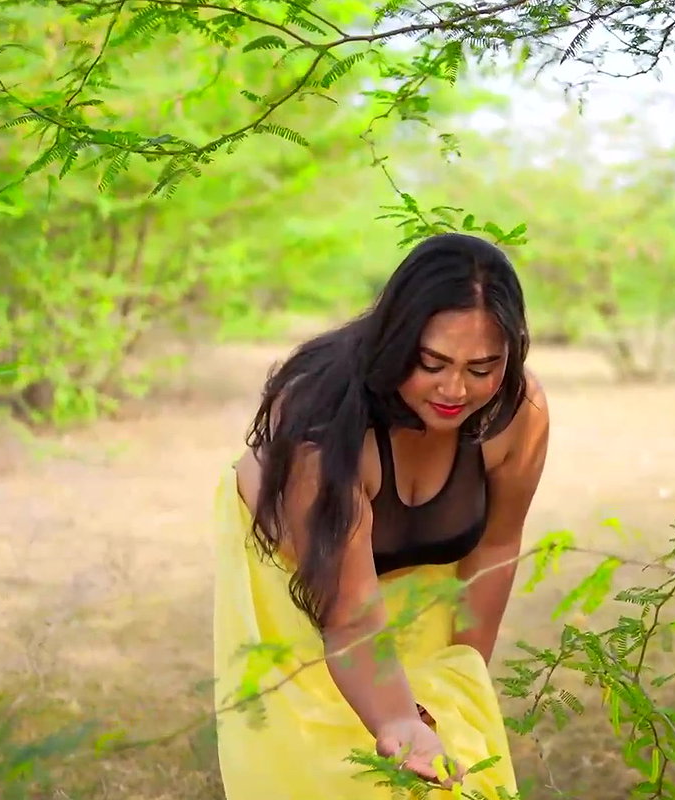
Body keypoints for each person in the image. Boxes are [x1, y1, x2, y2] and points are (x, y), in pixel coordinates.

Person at [212, 232, 550, 799]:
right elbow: (349, 618)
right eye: (432, 363)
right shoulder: (323, 427)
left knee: (453, 767)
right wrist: (398, 720)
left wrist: (462, 683)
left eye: (482, 368)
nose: (454, 389)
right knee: (324, 770)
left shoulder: (517, 414)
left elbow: (495, 546)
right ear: (396, 341)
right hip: (301, 585)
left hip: (415, 584)